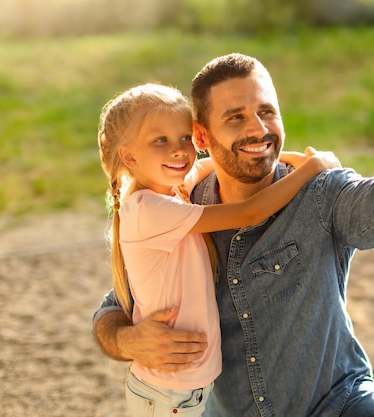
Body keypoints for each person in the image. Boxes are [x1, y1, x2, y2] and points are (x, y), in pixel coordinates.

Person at [93, 53, 374, 417]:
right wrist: (128, 339)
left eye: (266, 111)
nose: (258, 129)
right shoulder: (181, 203)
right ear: (203, 137)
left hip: (337, 404)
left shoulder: (321, 195)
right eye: (236, 117)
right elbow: (116, 308)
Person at [97, 82, 341, 416]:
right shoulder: (148, 210)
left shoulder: (174, 188)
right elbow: (250, 212)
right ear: (128, 156)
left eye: (184, 137)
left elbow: (212, 162)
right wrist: (314, 167)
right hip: (168, 394)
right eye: (160, 140)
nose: (179, 150)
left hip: (185, 389)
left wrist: (281, 157)